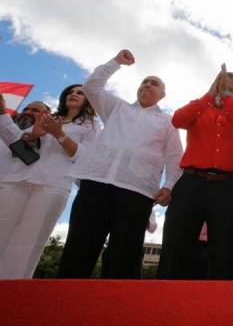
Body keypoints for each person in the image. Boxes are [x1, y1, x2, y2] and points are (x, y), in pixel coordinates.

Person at [58, 49, 183, 279]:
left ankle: (118, 310)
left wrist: (170, 186)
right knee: (79, 248)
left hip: (136, 190)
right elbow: (92, 87)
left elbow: (175, 157)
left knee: (123, 257)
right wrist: (116, 62)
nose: (147, 85)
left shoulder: (168, 122)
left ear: (162, 95)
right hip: (95, 183)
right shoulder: (117, 107)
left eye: (153, 83)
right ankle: (63, 306)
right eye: (144, 81)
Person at [0, 86, 97, 279]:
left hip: (52, 186)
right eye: (71, 92)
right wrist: (33, 135)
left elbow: (83, 157)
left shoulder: (91, 126)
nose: (74, 94)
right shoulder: (47, 119)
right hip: (17, 181)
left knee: (27, 244)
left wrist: (59, 134)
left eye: (80, 92)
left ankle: (9, 296)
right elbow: (18, 148)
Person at [157, 65, 233, 280]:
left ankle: (219, 303)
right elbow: (178, 119)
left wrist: (228, 101)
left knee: (225, 248)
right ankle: (167, 298)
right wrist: (209, 95)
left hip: (228, 187)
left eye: (232, 88)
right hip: (192, 182)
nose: (226, 91)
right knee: (177, 242)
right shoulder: (199, 108)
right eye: (222, 86)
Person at [0, 101, 51, 223]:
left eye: (35, 110)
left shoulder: (45, 139)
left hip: (1, 204)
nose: (27, 112)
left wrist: (1, 116)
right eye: (26, 109)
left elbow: (27, 155)